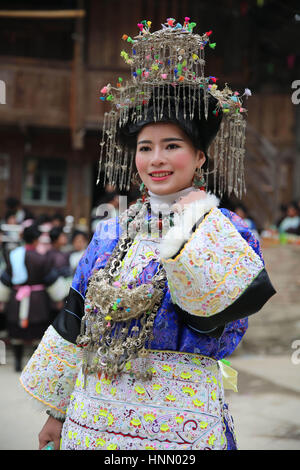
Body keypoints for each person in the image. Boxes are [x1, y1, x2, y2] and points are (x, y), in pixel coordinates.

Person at [19, 19, 275, 451]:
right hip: (93, 415)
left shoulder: (229, 233)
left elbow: (215, 325)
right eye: (145, 147)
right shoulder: (110, 231)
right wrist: (56, 413)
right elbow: (73, 320)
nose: (156, 159)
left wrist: (188, 231)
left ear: (199, 157)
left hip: (179, 425)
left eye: (172, 146)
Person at [0, 224, 70, 371]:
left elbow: (5, 279)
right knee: (37, 331)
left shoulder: (13, 256)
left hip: (16, 299)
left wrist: (2, 299)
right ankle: (33, 364)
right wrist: (59, 298)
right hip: (38, 301)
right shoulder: (41, 258)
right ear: (37, 240)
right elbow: (51, 279)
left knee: (16, 331)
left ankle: (18, 363)